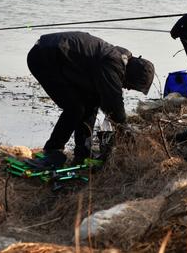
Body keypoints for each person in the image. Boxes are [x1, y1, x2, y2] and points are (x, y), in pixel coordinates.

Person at [26, 31, 154, 168]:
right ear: (132, 75)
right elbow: (114, 104)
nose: (127, 88)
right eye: (131, 86)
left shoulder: (116, 60)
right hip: (43, 56)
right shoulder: (112, 64)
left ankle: (82, 153)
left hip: (59, 58)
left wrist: (84, 151)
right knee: (74, 108)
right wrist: (124, 129)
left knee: (90, 102)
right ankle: (52, 151)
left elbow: (95, 105)